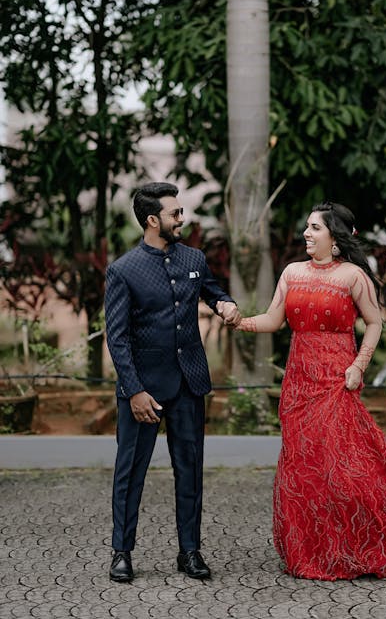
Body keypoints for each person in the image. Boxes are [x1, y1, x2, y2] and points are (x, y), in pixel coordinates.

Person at [236, 202, 386, 583]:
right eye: (306, 227)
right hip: (299, 383)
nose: (306, 234)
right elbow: (274, 320)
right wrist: (240, 321)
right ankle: (316, 552)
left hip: (337, 379)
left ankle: (376, 542)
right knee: (304, 468)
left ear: (335, 238)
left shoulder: (353, 277)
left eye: (314, 228)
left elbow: (374, 323)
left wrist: (359, 365)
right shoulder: (291, 272)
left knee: (348, 467)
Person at [105, 182, 241, 583]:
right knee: (130, 472)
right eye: (175, 213)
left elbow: (213, 292)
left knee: (190, 469)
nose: (182, 219)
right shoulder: (123, 270)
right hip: (142, 391)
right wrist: (134, 391)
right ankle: (121, 552)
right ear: (152, 220)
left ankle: (190, 551)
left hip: (189, 385)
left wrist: (225, 303)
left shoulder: (194, 258)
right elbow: (118, 337)